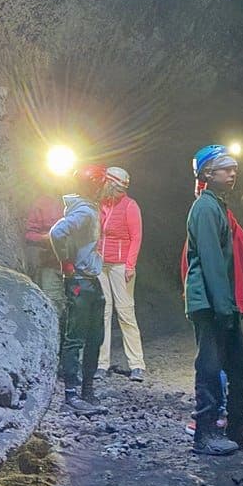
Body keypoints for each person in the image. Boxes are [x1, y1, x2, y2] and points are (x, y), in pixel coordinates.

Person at [182, 144, 243, 457]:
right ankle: (204, 434)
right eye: (225, 168)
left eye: (234, 167)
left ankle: (237, 429)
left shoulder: (217, 206)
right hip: (209, 302)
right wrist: (222, 308)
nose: (233, 172)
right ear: (208, 173)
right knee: (210, 365)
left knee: (238, 360)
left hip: (221, 301)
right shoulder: (205, 209)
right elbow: (211, 262)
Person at [49, 164, 112, 416]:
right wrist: (67, 263)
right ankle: (72, 394)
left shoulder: (88, 209)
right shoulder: (85, 211)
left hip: (88, 279)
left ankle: (86, 391)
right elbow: (57, 232)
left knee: (94, 336)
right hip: (80, 281)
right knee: (76, 337)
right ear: (95, 184)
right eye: (104, 182)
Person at [97, 165, 146, 380]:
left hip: (119, 265)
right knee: (103, 313)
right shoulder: (100, 205)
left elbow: (136, 237)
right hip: (100, 264)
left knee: (125, 313)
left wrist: (130, 266)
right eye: (117, 188)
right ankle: (101, 363)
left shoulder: (130, 206)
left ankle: (137, 364)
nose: (119, 192)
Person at [23, 194, 65, 326]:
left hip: (76, 266)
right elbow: (30, 234)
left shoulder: (81, 203)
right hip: (51, 263)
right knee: (52, 302)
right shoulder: (42, 203)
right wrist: (47, 238)